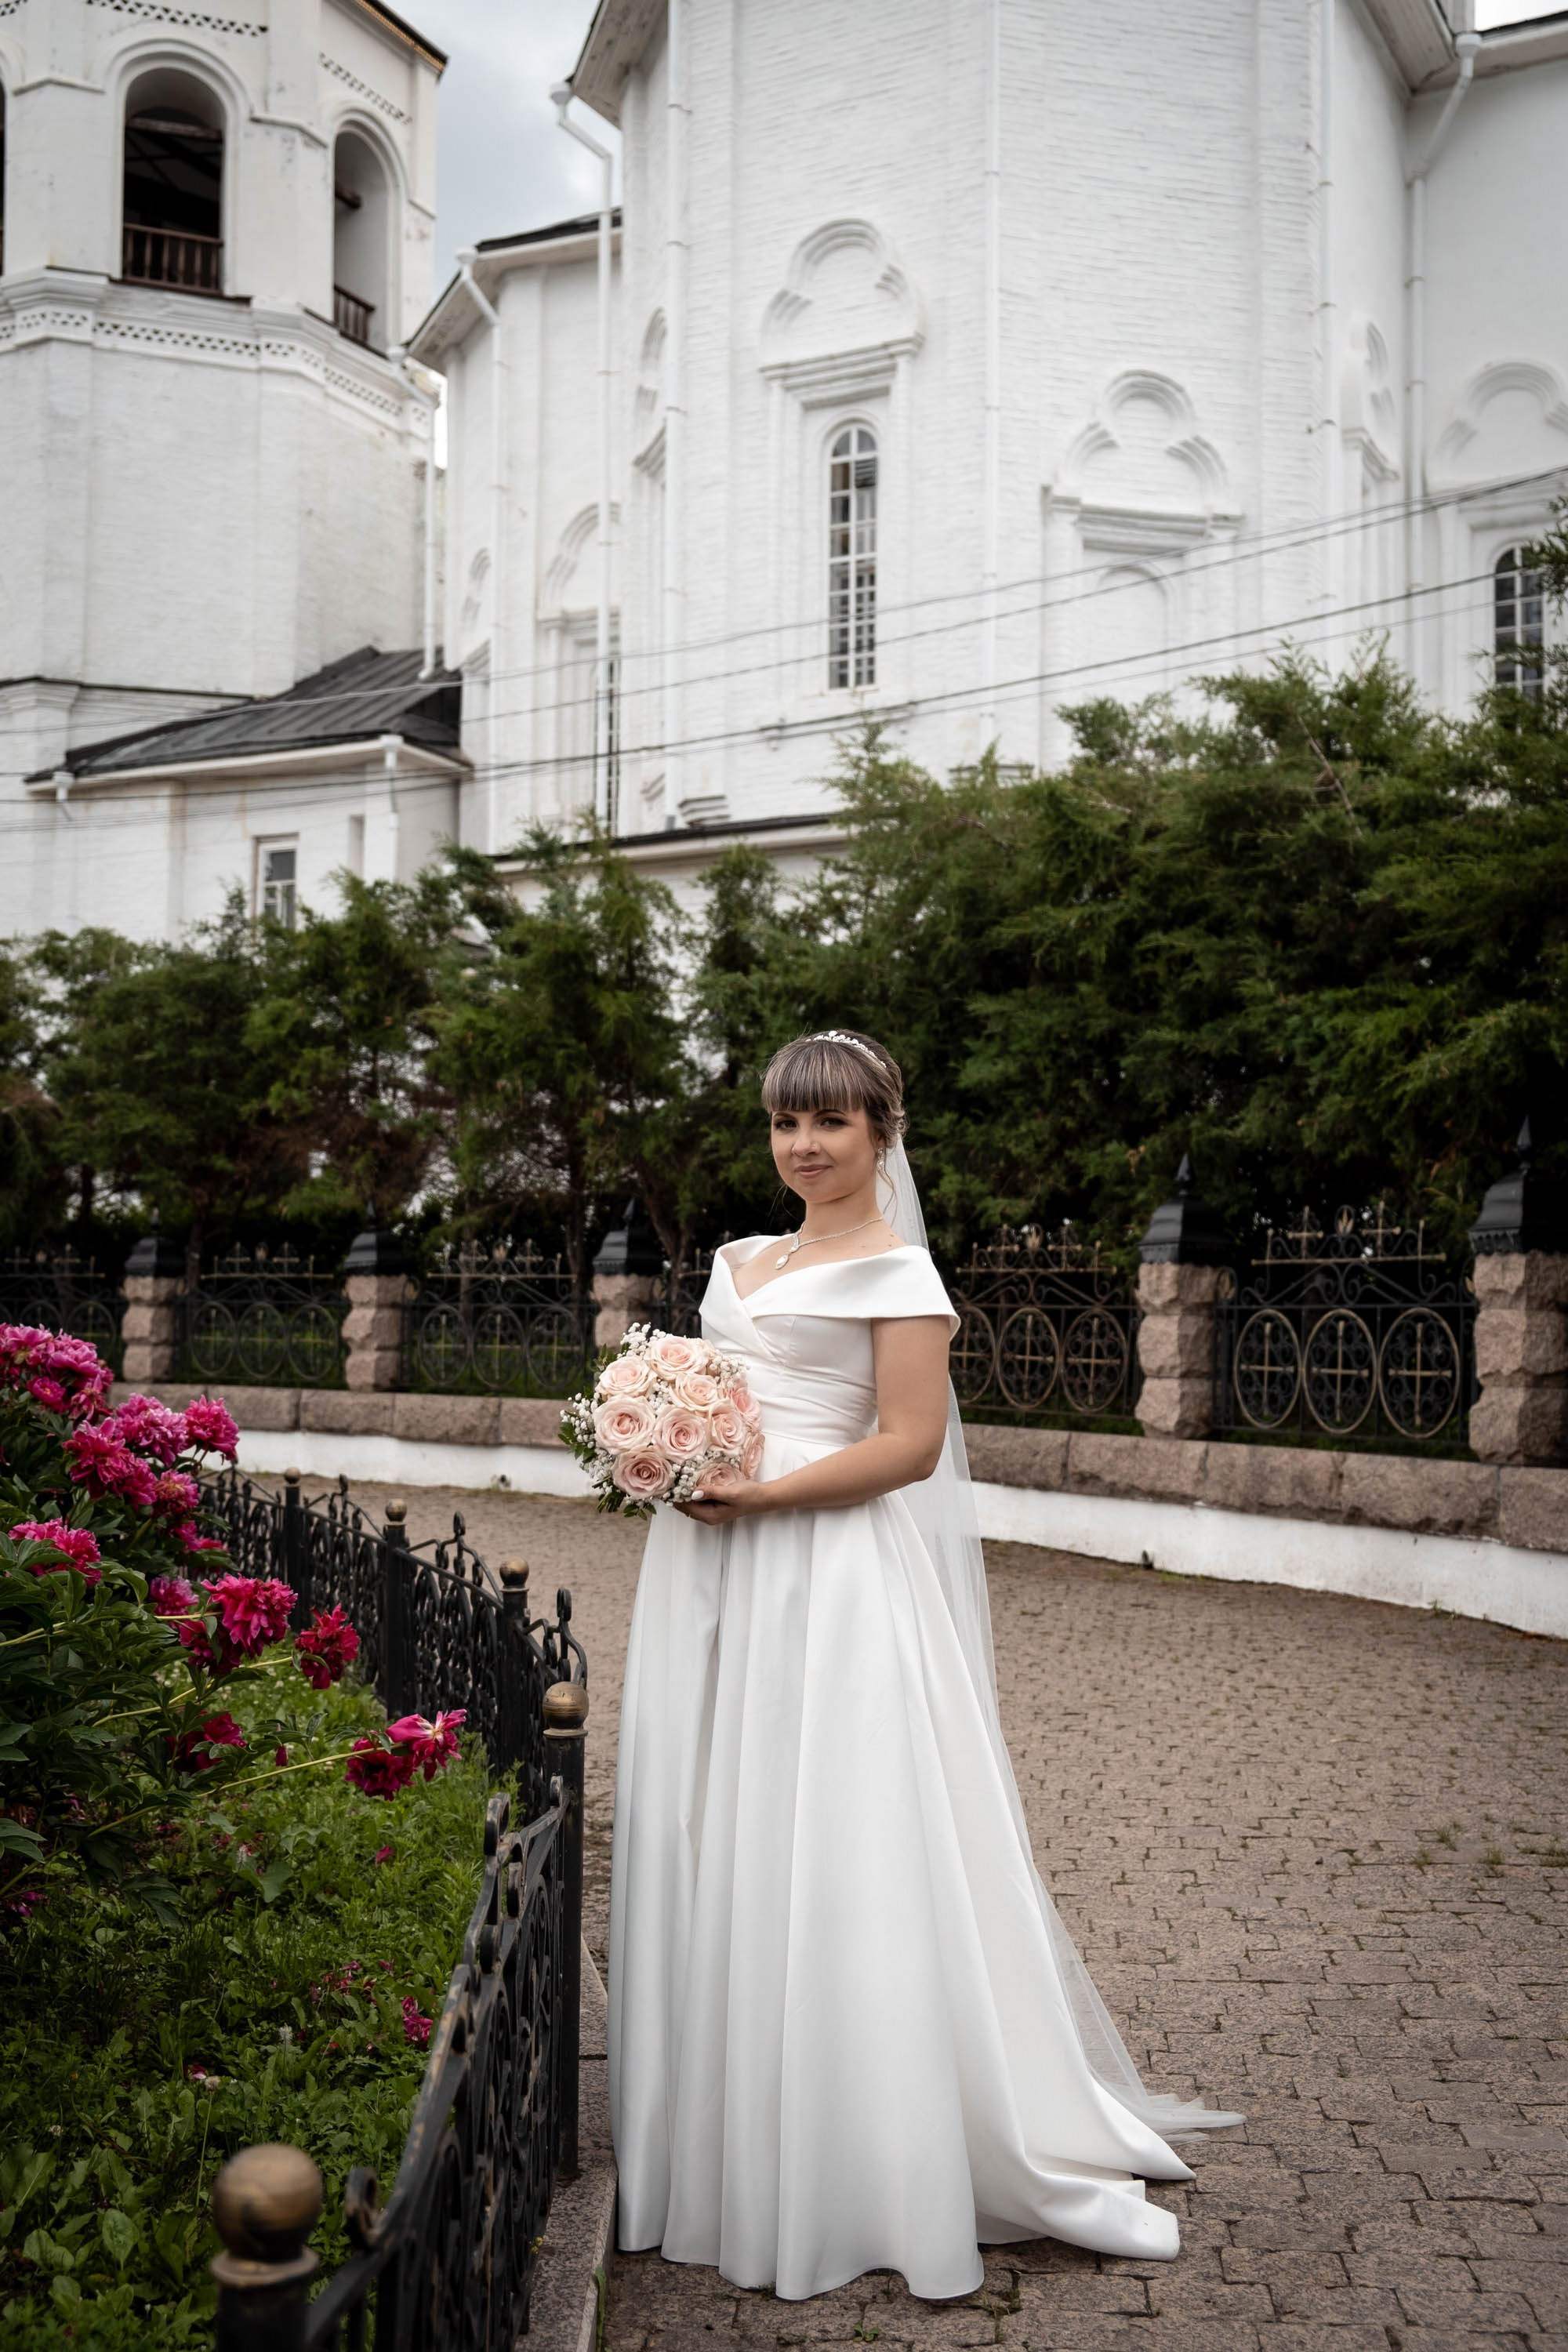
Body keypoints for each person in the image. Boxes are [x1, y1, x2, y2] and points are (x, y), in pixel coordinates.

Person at [608, 1029, 1238, 2303]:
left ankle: (860, 2152)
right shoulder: (738, 1260)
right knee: (717, 1823)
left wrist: (762, 1493)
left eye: (831, 1124)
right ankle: (724, 2130)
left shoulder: (901, 1275)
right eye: (787, 1122)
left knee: (837, 1841)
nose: (803, 1146)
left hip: (826, 1574)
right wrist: (665, 1445)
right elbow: (726, 1393)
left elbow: (905, 1445)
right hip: (713, 1568)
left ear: (882, 1134)